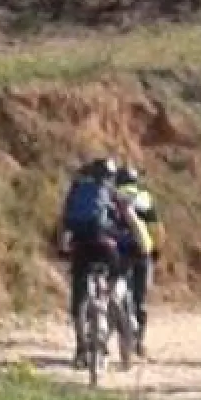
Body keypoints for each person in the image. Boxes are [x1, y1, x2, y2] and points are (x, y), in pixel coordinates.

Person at [57, 157, 125, 366]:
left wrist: (63, 246)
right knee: (117, 276)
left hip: (80, 246)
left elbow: (64, 220)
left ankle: (80, 349)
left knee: (79, 296)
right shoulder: (112, 192)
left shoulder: (76, 189)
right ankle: (109, 304)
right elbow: (125, 220)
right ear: (110, 176)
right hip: (104, 244)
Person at [114, 164, 159, 340]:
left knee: (115, 288)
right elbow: (155, 228)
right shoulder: (144, 197)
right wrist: (155, 251)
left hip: (118, 249)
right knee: (140, 297)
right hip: (141, 250)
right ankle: (140, 341)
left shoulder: (112, 195)